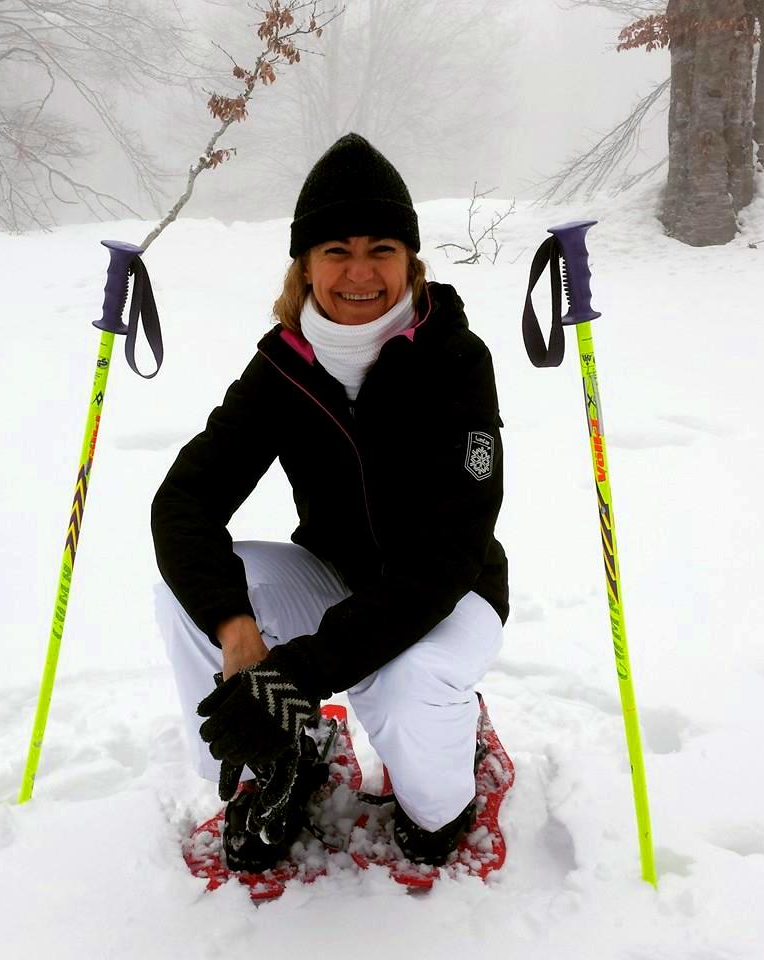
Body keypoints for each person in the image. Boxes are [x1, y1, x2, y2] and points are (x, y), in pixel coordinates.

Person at [152, 133, 508, 873]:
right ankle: (279, 759)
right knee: (188, 590)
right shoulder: (284, 367)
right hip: (334, 574)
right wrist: (238, 629)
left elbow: (445, 557)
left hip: (451, 594)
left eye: (380, 249)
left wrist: (302, 672)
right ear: (305, 264)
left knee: (423, 778)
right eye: (335, 250)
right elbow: (184, 502)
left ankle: (449, 759)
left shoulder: (454, 360)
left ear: (409, 261)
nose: (359, 272)